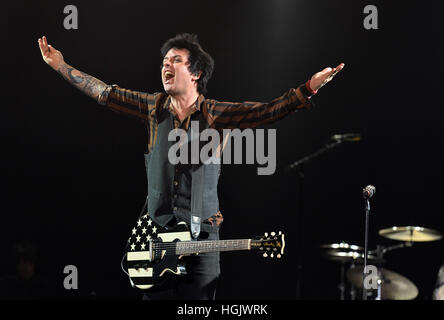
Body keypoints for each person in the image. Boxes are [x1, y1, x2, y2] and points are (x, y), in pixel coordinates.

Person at [38, 33, 344, 299]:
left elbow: (266, 112)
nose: (165, 66)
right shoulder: (152, 107)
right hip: (154, 237)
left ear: (195, 72)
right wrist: (62, 66)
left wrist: (308, 88)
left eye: (175, 60)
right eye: (163, 62)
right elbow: (104, 93)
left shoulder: (216, 114)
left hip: (203, 241)